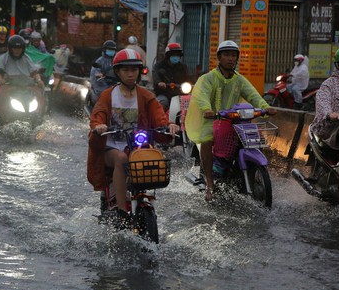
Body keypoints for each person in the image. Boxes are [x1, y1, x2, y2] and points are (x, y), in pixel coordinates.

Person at [87, 49, 180, 222]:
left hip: (138, 146)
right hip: (111, 148)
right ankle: (121, 212)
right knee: (121, 158)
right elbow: (97, 115)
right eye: (125, 70)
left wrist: (168, 126)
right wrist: (99, 125)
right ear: (118, 72)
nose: (130, 74)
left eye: (134, 70)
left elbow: (159, 117)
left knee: (151, 159)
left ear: (139, 72)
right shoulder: (108, 95)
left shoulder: (146, 95)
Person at [185, 40, 276, 201]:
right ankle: (210, 186)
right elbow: (201, 95)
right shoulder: (208, 78)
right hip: (211, 120)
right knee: (206, 141)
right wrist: (207, 109)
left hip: (234, 120)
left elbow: (253, 95)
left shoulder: (239, 79)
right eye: (226, 55)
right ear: (219, 57)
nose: (230, 58)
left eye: (233, 55)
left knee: (252, 139)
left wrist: (265, 107)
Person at [152, 42, 190, 110]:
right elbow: (155, 76)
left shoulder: (183, 67)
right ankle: (160, 119)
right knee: (161, 104)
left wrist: (192, 84)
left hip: (179, 94)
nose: (176, 57)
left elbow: (188, 78)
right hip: (164, 93)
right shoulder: (159, 66)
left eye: (177, 55)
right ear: (168, 56)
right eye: (173, 55)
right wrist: (159, 83)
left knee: (190, 104)